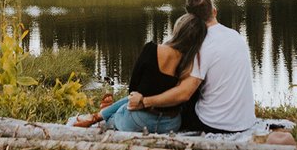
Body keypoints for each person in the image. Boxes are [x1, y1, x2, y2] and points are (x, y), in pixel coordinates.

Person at [129, 0, 255, 134]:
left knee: (175, 104)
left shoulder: (199, 45)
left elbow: (184, 94)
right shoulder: (235, 35)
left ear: (190, 18)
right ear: (214, 11)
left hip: (215, 124)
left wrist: (145, 101)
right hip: (246, 121)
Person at [74, 12, 206, 133]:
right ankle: (100, 113)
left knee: (114, 117)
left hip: (137, 121)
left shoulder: (152, 49)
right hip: (171, 124)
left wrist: (142, 100)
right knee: (130, 102)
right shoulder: (194, 65)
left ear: (177, 30)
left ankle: (100, 115)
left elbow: (133, 90)